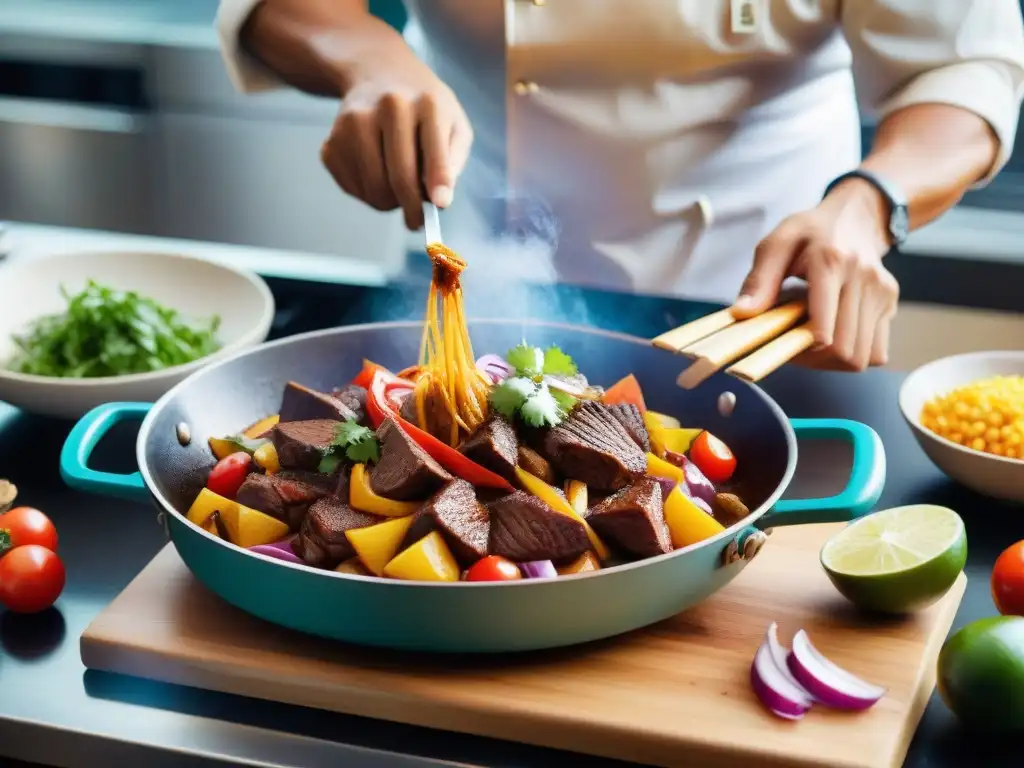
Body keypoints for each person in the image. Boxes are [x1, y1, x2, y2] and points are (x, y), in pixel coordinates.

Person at [217, 0, 1024, 370]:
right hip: (481, 277)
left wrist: (870, 202)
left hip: (761, 307)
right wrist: (373, 59)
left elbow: (959, 65)